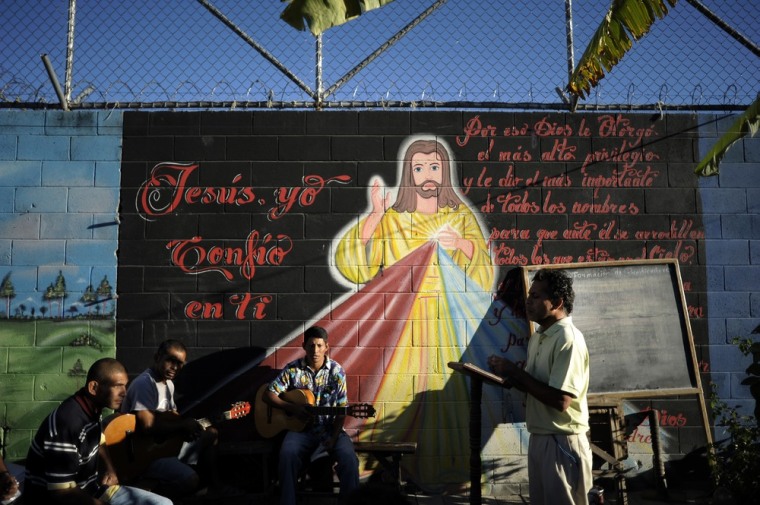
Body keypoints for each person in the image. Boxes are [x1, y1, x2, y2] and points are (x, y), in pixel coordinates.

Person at [334, 136, 494, 485]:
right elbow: (356, 266)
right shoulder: (394, 218)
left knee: (446, 399)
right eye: (419, 167)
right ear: (409, 173)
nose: (427, 175)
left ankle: (445, 470)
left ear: (445, 170)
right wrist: (375, 216)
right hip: (401, 322)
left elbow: (482, 273)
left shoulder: (459, 215)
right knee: (392, 395)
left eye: (434, 166)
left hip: (443, 324)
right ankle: (379, 471)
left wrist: (465, 245)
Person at [488, 268, 593, 505]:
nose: (528, 302)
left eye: (536, 297)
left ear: (556, 302)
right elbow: (537, 386)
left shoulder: (568, 340)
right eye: (529, 295)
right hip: (541, 437)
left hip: (562, 441)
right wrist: (507, 376)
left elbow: (561, 401)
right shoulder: (539, 336)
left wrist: (515, 372)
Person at [24, 358, 171, 505]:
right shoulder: (68, 423)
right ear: (93, 388)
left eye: (125, 386)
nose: (124, 393)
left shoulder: (91, 409)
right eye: (118, 386)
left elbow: (99, 438)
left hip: (91, 490)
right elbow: (61, 492)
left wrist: (110, 469)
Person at [263, 325, 359, 505]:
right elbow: (267, 394)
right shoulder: (293, 370)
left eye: (319, 346)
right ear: (303, 346)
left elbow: (341, 411)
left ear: (326, 347)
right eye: (311, 346)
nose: (315, 350)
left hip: (330, 429)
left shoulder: (336, 372)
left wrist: (334, 437)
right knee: (287, 454)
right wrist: (292, 408)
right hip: (300, 431)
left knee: (349, 459)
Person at [120, 339, 224, 500]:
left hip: (162, 448)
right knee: (190, 480)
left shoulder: (169, 385)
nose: (175, 367)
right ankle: (147, 496)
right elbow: (148, 426)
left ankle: (214, 489)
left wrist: (187, 428)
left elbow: (172, 419)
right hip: (144, 456)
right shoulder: (145, 383)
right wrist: (183, 425)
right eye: (170, 360)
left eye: (180, 363)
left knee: (211, 433)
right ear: (157, 357)